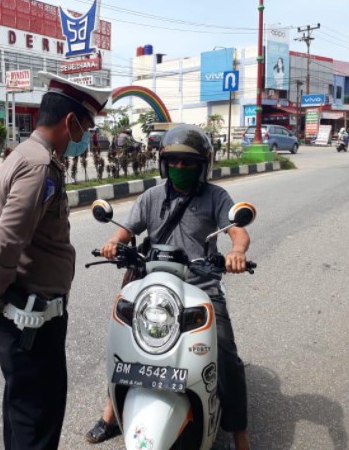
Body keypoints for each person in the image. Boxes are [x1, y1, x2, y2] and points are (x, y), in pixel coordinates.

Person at [0, 71, 111, 450]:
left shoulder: (20, 155)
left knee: (22, 413)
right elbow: (7, 239)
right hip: (31, 323)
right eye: (87, 126)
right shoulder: (39, 166)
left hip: (21, 317)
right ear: (70, 121)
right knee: (38, 421)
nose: (86, 136)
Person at [85, 124, 252, 450]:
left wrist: (236, 253)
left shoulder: (216, 197)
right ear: (164, 162)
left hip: (199, 286)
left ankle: (240, 434)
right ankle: (110, 413)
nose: (180, 168)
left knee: (226, 355)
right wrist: (112, 243)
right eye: (173, 161)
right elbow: (126, 230)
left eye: (188, 163)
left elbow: (237, 233)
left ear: (202, 165)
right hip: (153, 285)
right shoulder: (152, 197)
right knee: (122, 343)